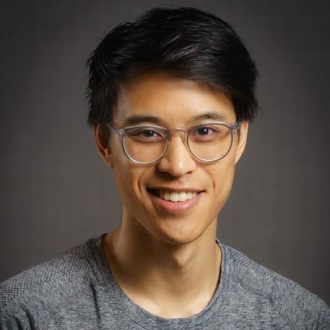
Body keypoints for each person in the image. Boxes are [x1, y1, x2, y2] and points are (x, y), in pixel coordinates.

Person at [0, 6, 329, 329]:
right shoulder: (23, 315)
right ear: (104, 142)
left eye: (204, 132)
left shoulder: (301, 319)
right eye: (147, 133)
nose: (177, 165)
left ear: (240, 138)